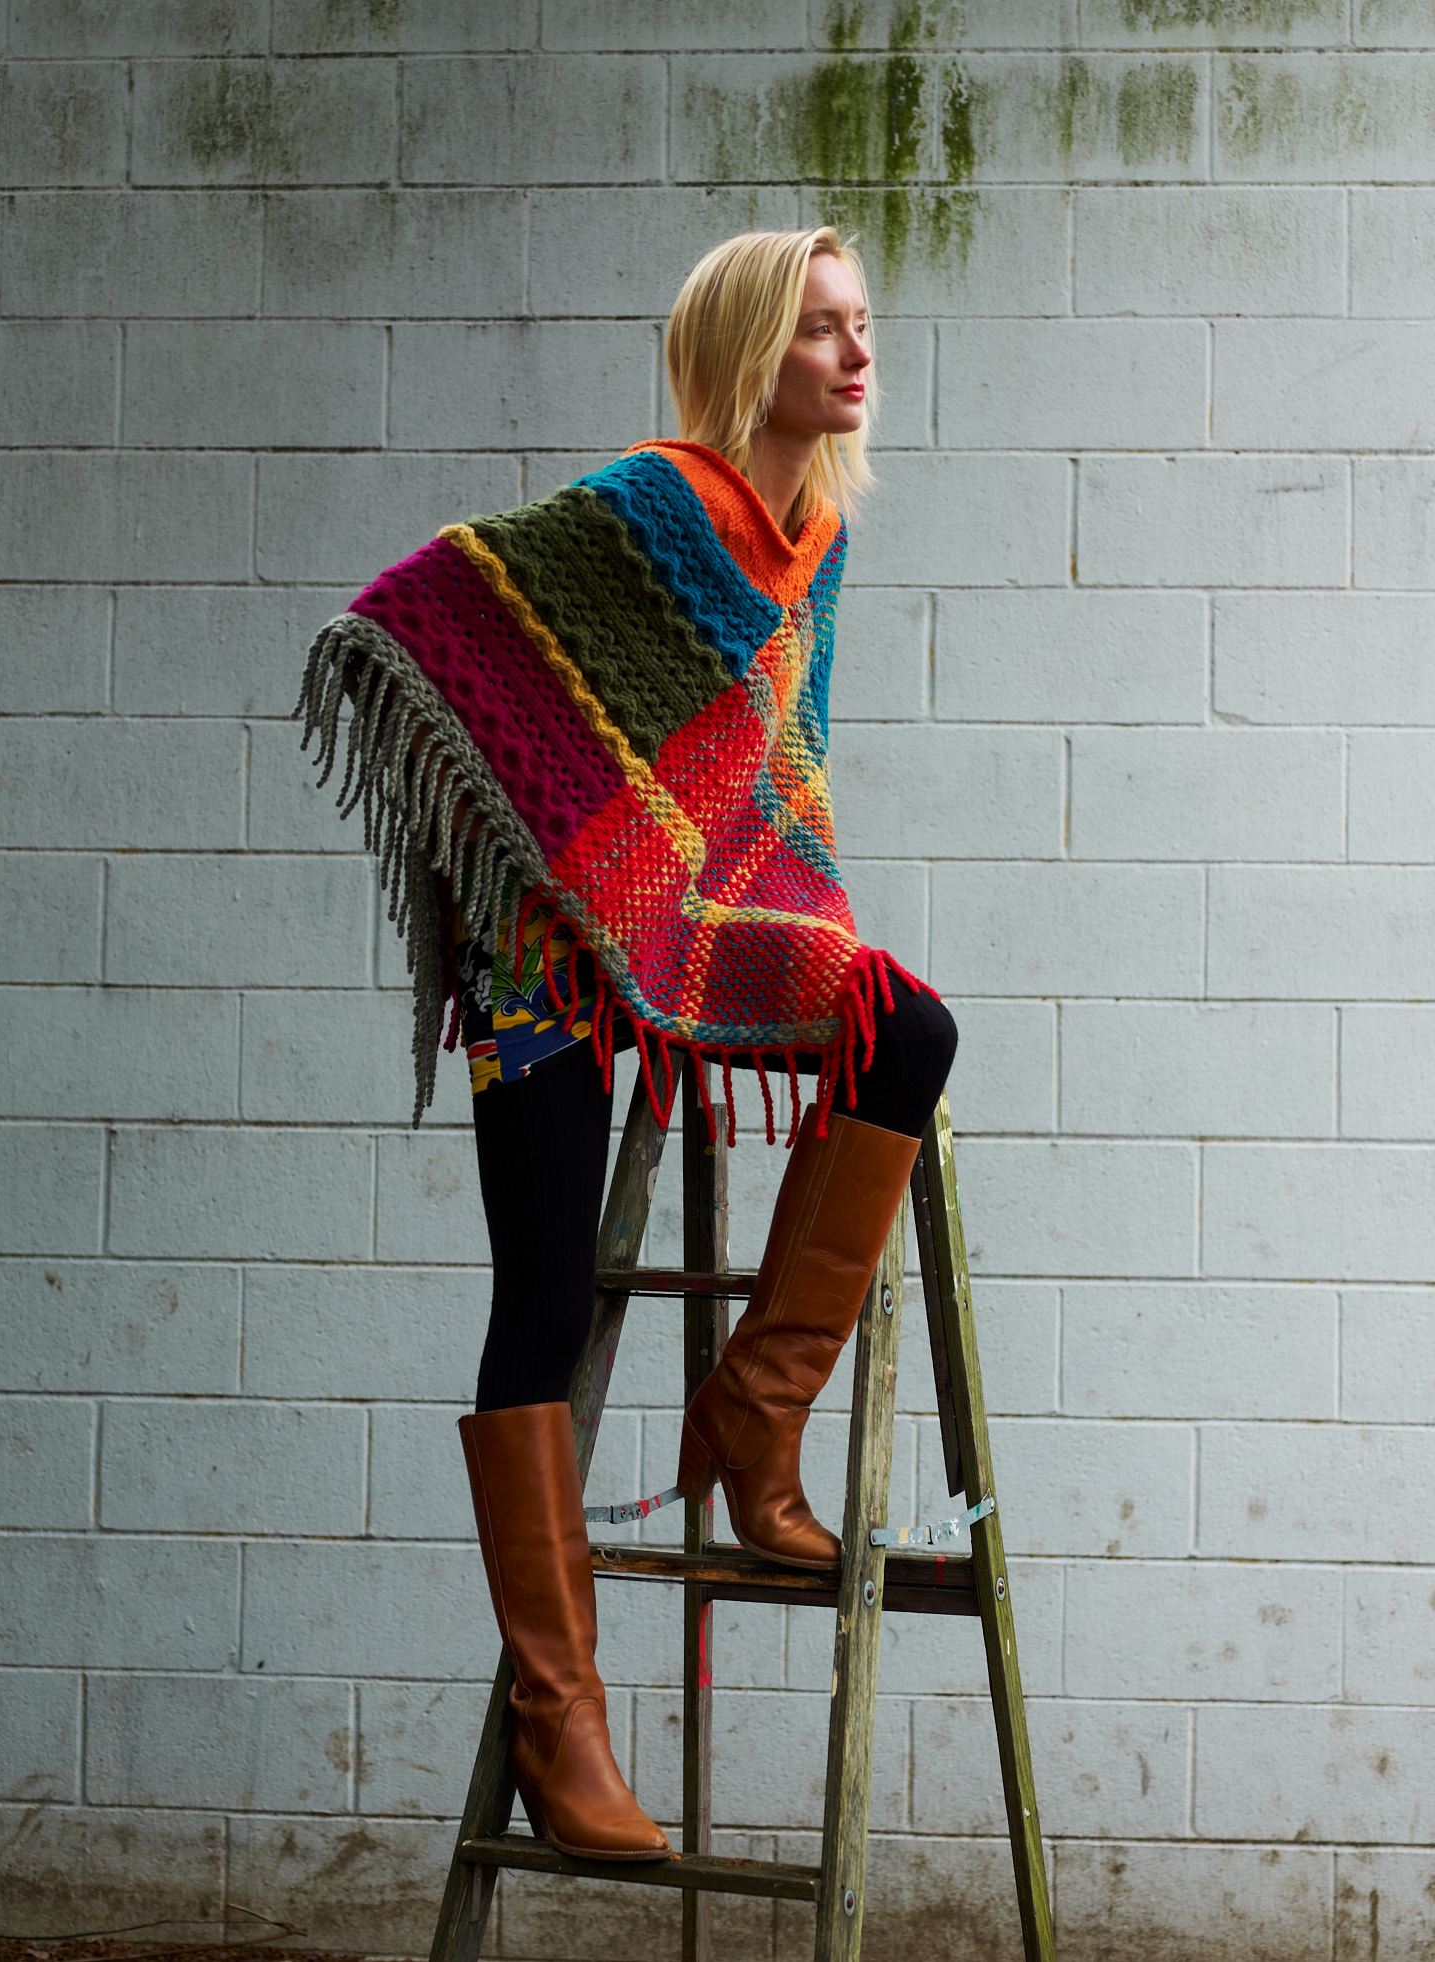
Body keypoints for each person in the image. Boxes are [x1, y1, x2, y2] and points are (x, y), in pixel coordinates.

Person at [294, 226, 958, 1866]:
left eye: (862, 324)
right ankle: (559, 1713)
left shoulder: (818, 546)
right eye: (820, 329)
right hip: (541, 945)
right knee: (539, 1287)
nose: (856, 353)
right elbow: (425, 612)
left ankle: (753, 1418)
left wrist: (767, 911)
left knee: (907, 1027)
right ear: (750, 351)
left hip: (693, 914)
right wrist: (527, 855)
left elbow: (771, 780)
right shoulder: (654, 501)